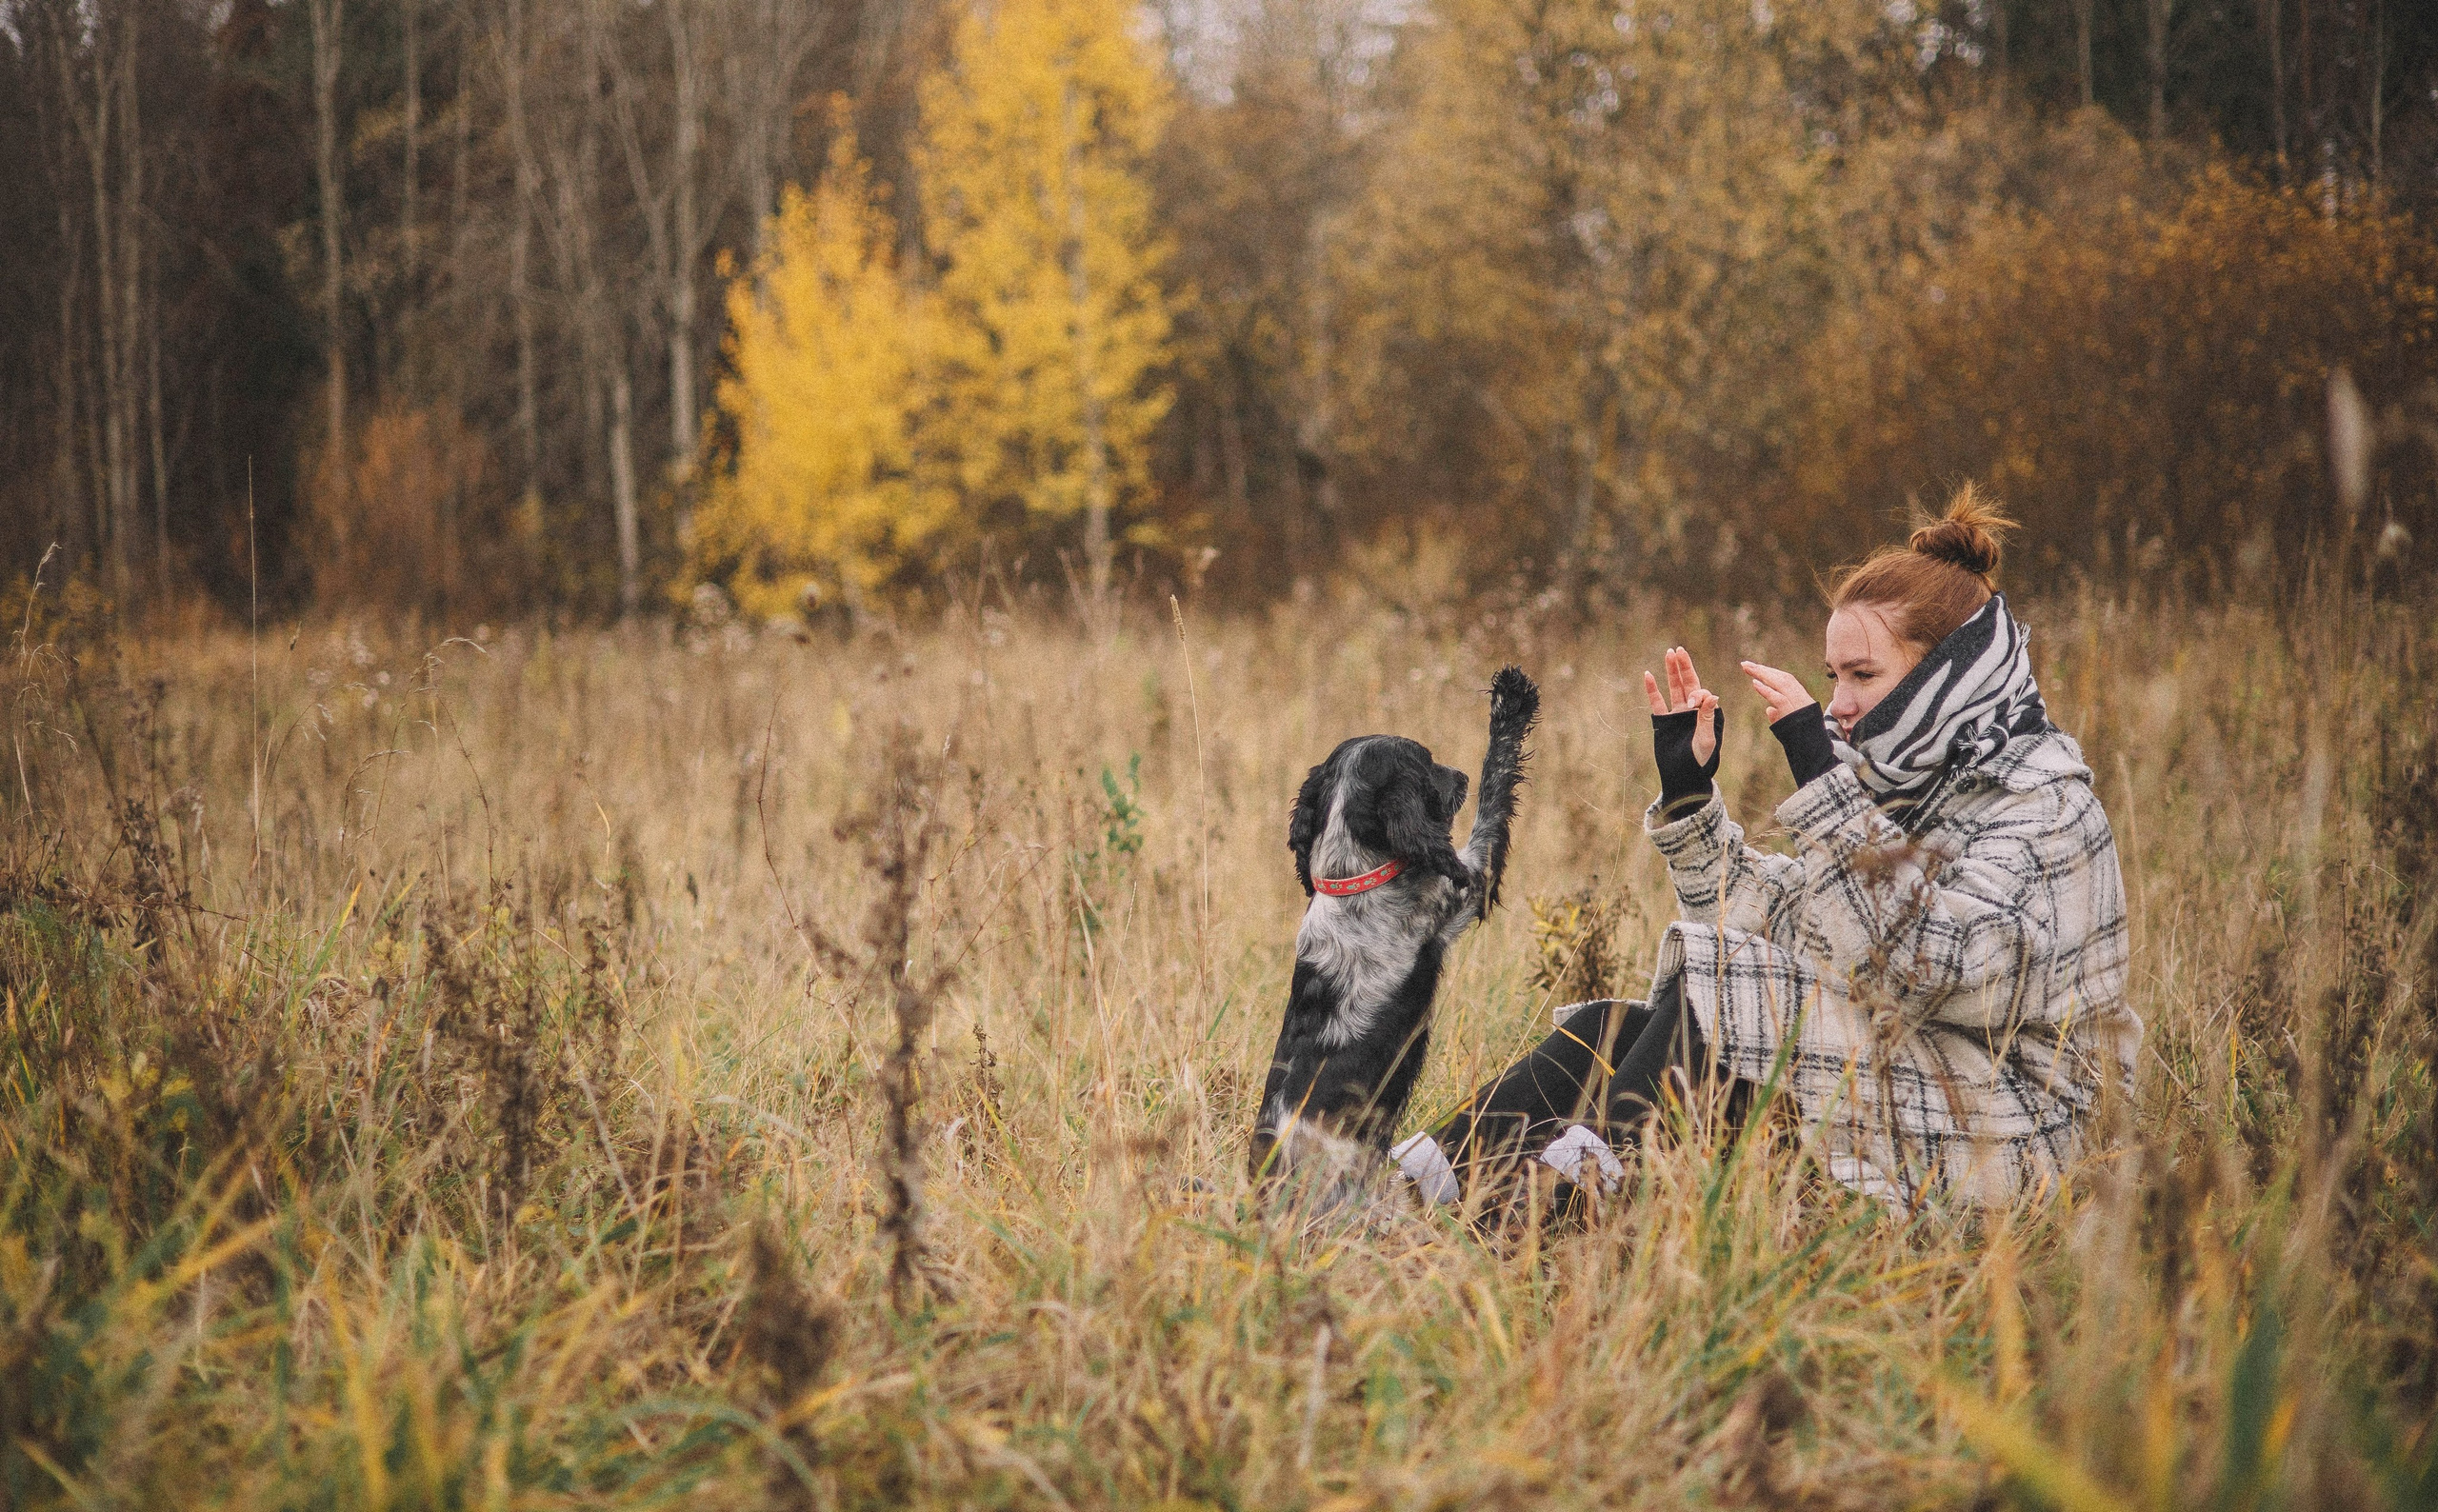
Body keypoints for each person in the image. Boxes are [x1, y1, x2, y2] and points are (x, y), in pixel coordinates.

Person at [1389, 487, 2138, 1210]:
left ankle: (1554, 1208)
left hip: (2024, 1127)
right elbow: (1788, 924)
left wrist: (1822, 780)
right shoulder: (1908, 785)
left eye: (1864, 675)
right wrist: (1689, 797)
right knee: (1608, 1034)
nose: (1838, 704)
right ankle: (1402, 1195)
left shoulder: (2042, 807)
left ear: (1950, 673)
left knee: (1726, 993)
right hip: (1924, 1073)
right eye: (1833, 677)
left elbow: (1935, 973)